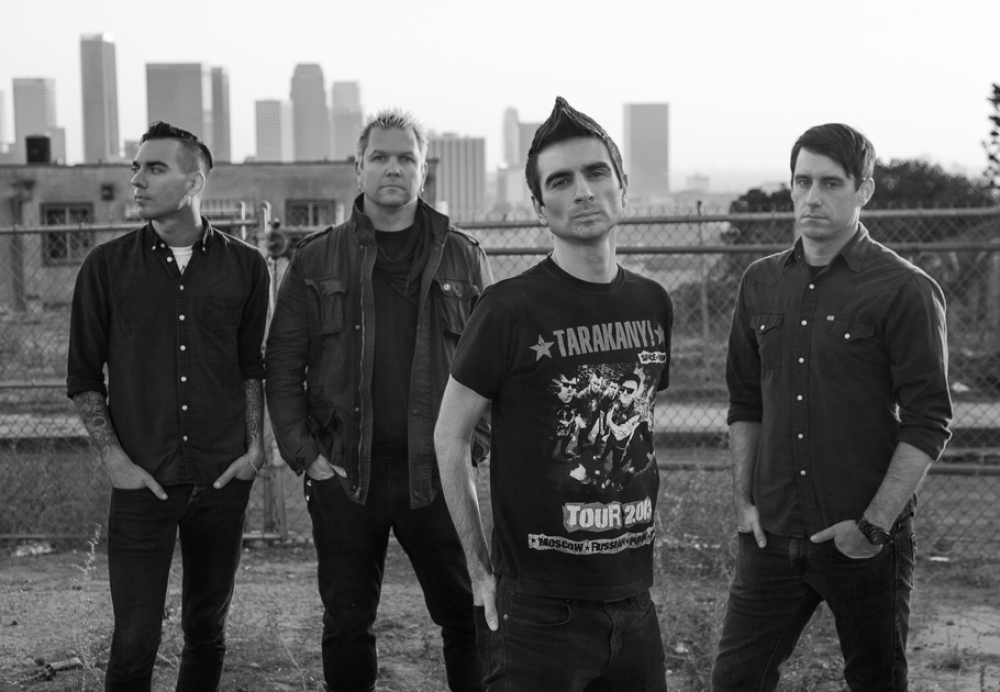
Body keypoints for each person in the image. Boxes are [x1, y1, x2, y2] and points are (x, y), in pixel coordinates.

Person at [434, 97, 673, 692]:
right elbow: (450, 435)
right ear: (540, 207)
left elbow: (641, 422)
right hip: (538, 610)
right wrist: (478, 569)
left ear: (622, 187)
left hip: (634, 599)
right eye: (560, 181)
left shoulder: (653, 303)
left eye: (596, 173)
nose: (583, 191)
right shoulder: (509, 308)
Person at [713, 123, 953, 691]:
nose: (812, 197)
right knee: (735, 681)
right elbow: (745, 402)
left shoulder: (905, 289)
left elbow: (929, 421)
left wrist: (873, 526)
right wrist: (744, 502)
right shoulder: (760, 282)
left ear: (863, 190)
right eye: (802, 182)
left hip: (862, 538)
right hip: (771, 537)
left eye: (831, 183)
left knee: (876, 681)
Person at [264, 108, 492, 692]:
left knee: (469, 617)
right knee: (347, 624)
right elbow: (282, 364)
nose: (394, 168)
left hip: (437, 475)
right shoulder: (316, 258)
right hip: (345, 475)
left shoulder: (464, 256)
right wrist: (307, 457)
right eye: (381, 157)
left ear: (424, 171)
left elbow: (494, 367)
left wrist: (471, 450)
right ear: (358, 167)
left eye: (406, 158)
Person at [66, 121, 269, 691]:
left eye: (154, 168)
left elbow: (252, 365)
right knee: (134, 640)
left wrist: (256, 448)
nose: (137, 180)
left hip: (222, 479)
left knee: (206, 630)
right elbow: (83, 376)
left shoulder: (247, 266)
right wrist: (115, 462)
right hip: (142, 482)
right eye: (136, 168)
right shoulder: (105, 267)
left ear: (194, 181)